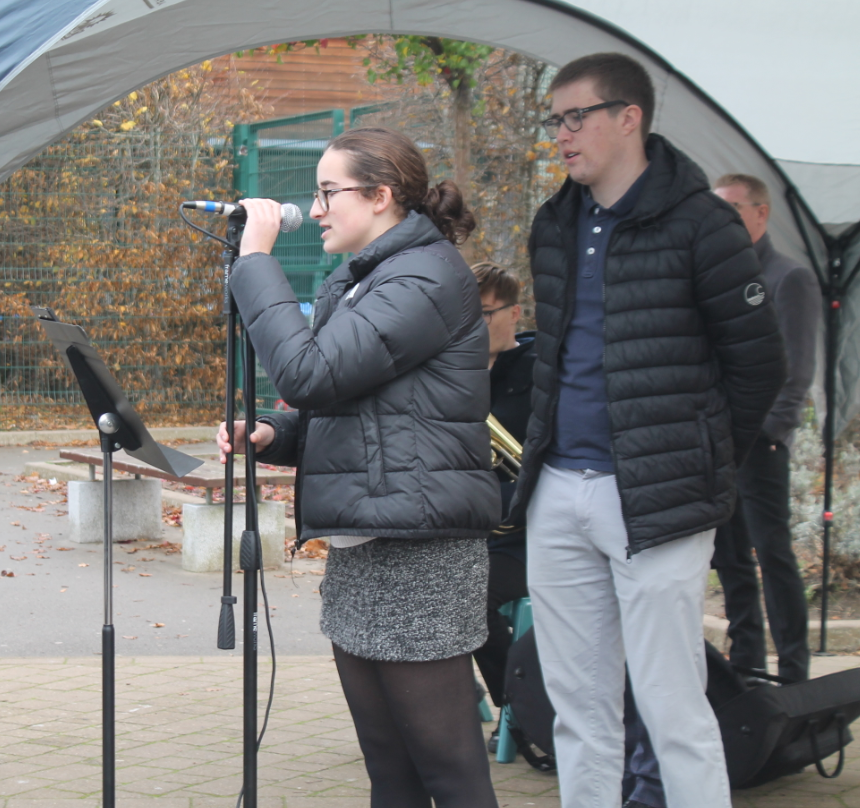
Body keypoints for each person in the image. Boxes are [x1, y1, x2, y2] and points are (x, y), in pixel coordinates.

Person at [508, 53, 786, 808]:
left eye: (576, 116)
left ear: (628, 118)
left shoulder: (704, 224)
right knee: (578, 711)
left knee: (673, 708)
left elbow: (758, 365)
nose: (561, 134)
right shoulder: (554, 223)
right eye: (554, 119)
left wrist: (697, 456)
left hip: (660, 499)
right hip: (559, 490)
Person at [216, 126, 502, 808]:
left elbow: (310, 373)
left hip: (421, 553)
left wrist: (255, 262)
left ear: (381, 196)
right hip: (367, 546)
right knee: (390, 770)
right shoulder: (365, 277)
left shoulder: (427, 275)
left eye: (326, 192)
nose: (314, 210)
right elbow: (353, 407)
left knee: (450, 769)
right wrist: (272, 433)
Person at [712, 173, 821, 683]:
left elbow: (797, 371)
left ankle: (794, 671)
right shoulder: (718, 276)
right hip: (718, 443)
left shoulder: (789, 277)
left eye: (734, 208)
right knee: (729, 558)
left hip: (760, 446)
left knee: (771, 554)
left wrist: (769, 433)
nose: (724, 218)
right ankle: (746, 663)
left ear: (760, 213)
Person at [469, 262, 533, 744]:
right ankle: (447, 694)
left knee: (472, 596)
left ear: (514, 313)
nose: (474, 324)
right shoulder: (455, 371)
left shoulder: (540, 372)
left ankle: (520, 711)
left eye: (485, 314)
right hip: (467, 527)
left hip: (524, 536)